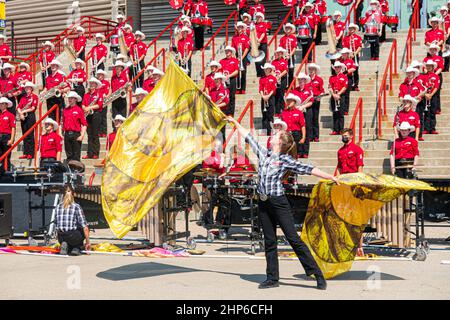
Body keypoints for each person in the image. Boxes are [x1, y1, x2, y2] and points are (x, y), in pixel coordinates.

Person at [227, 116, 338, 290]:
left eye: (276, 134)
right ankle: (272, 278)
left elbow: (308, 168)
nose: (272, 135)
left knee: (293, 238)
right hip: (263, 202)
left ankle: (317, 273)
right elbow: (248, 136)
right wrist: (234, 122)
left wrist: (330, 176)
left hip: (278, 202)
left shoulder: (285, 159)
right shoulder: (264, 153)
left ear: (280, 142)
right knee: (269, 240)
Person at [55, 185, 91, 256]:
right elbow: (85, 228)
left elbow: (56, 225)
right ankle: (76, 248)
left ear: (63, 194)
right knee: (82, 229)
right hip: (72, 237)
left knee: (69, 235)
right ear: (73, 194)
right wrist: (88, 242)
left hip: (61, 237)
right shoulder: (76, 206)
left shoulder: (58, 206)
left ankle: (66, 245)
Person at [82, 78, 104, 160]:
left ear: (96, 85)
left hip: (96, 115)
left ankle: (96, 153)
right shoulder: (86, 94)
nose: (91, 85)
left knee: (95, 134)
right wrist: (85, 108)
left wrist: (89, 107)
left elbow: (100, 105)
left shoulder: (99, 94)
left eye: (93, 84)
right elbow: (83, 104)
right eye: (90, 83)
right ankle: (89, 153)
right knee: (89, 135)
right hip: (88, 115)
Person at [292, 72, 313, 155]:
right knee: (299, 131)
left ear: (305, 81)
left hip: (306, 112)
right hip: (297, 112)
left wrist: (303, 107)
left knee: (307, 130)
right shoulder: (294, 91)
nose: (300, 81)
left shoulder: (309, 91)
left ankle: (305, 151)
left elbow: (311, 102)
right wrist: (297, 107)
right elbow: (292, 101)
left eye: (302, 80)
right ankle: (299, 151)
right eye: (299, 80)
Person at [62, 92, 87, 162]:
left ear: (75, 99)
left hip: (75, 134)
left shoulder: (79, 110)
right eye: (69, 98)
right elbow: (63, 122)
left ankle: (76, 171)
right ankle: (70, 170)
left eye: (72, 98)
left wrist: (82, 135)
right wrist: (62, 132)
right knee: (68, 154)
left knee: (76, 155)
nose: (70, 99)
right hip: (67, 134)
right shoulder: (65, 110)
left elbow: (84, 124)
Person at [281, 93, 307, 159]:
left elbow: (303, 126)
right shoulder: (283, 112)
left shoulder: (299, 113)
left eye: (290, 100)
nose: (288, 102)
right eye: (287, 101)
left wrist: (303, 137)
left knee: (295, 153)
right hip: (286, 134)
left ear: (294, 102)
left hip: (296, 134)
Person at [17, 82, 38, 159]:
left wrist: (23, 112)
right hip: (23, 116)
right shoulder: (23, 97)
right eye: (26, 88)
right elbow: (18, 107)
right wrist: (21, 113)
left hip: (30, 116)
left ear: (31, 89)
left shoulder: (35, 97)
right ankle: (25, 152)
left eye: (29, 88)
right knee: (24, 135)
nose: (27, 89)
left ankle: (31, 153)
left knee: (30, 135)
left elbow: (33, 108)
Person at [422, 59, 441, 135]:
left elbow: (436, 86)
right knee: (426, 113)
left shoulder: (436, 76)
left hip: (433, 96)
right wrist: (426, 94)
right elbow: (422, 86)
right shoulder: (423, 76)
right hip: (425, 96)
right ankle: (426, 128)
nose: (429, 67)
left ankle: (432, 128)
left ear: (433, 67)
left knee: (432, 112)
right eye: (427, 66)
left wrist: (431, 95)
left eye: (430, 66)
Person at [328, 61, 348, 135]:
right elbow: (329, 87)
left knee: (341, 113)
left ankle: (341, 130)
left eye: (338, 67)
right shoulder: (331, 77)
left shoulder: (344, 77)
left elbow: (345, 87)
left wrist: (338, 94)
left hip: (341, 96)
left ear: (341, 68)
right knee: (335, 113)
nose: (337, 68)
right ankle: (335, 130)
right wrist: (333, 95)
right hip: (334, 96)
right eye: (336, 67)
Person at [342, 23, 362, 91]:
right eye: (350, 29)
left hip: (355, 55)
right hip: (347, 56)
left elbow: (360, 47)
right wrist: (348, 54)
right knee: (348, 71)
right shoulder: (345, 38)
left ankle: (356, 85)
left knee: (356, 70)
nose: (351, 30)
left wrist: (355, 53)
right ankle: (349, 85)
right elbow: (344, 47)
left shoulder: (358, 37)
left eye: (353, 29)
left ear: (355, 29)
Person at [307, 63, 324, 142]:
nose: (311, 71)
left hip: (316, 100)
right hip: (308, 101)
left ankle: (316, 136)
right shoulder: (306, 79)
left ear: (315, 70)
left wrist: (320, 96)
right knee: (309, 119)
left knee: (315, 118)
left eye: (313, 69)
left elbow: (322, 90)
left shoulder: (319, 79)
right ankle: (310, 136)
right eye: (310, 69)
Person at [232, 22, 250, 94]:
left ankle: (243, 88)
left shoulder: (246, 37)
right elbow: (233, 48)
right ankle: (237, 88)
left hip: (243, 55)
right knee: (237, 72)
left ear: (243, 29)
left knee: (243, 72)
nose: (239, 29)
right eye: (238, 27)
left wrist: (242, 58)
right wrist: (235, 57)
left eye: (241, 27)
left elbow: (247, 48)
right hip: (236, 54)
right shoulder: (234, 37)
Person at [220, 46, 239, 114]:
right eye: (226, 51)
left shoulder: (235, 60)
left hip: (232, 79)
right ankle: (226, 111)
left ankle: (231, 112)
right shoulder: (221, 61)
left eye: (228, 51)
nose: (227, 52)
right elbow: (220, 71)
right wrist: (223, 77)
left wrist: (229, 76)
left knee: (232, 96)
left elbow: (236, 71)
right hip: (224, 81)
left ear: (231, 52)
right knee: (225, 96)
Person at [259, 63, 277, 135]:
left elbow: (274, 89)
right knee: (264, 115)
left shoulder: (273, 78)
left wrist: (268, 96)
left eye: (267, 69)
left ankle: (270, 131)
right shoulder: (262, 78)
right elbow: (260, 88)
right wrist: (263, 96)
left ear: (270, 70)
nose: (266, 70)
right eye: (265, 69)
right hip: (263, 97)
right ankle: (264, 131)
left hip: (270, 97)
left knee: (270, 114)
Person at [339, 48, 357, 115]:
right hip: (340, 79)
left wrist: (346, 71)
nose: (344, 55)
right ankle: (340, 109)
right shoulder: (339, 61)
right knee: (341, 94)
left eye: (345, 53)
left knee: (346, 95)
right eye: (343, 53)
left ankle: (345, 110)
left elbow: (354, 68)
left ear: (347, 54)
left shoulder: (350, 61)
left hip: (348, 78)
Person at [0, 97, 16, 171]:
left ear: (6, 105)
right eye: (0, 104)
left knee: (7, 156)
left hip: (6, 137)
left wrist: (12, 139)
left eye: (3, 104)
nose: (1, 105)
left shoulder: (11, 115)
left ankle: (6, 172)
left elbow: (13, 128)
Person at [272, 47, 288, 115]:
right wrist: (275, 76)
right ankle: (277, 111)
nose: (278, 54)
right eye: (277, 53)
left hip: (282, 79)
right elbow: (272, 70)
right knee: (276, 95)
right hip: (276, 80)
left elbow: (285, 70)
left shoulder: (284, 61)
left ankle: (283, 109)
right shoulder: (273, 62)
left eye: (280, 53)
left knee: (281, 94)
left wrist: (279, 76)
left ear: (282, 54)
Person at [254, 12, 268, 77]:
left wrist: (259, 40)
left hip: (263, 43)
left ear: (262, 18)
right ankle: (258, 72)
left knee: (263, 58)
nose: (258, 18)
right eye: (257, 17)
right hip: (255, 44)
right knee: (256, 58)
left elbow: (263, 33)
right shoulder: (254, 25)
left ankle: (263, 73)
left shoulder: (264, 24)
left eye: (259, 17)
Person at [96, 69, 110, 137]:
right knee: (98, 117)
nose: (100, 76)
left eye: (101, 75)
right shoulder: (96, 83)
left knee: (103, 117)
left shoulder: (106, 82)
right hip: (97, 102)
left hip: (104, 101)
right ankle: (98, 131)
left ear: (103, 75)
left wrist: (105, 94)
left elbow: (107, 90)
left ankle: (104, 132)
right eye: (98, 75)